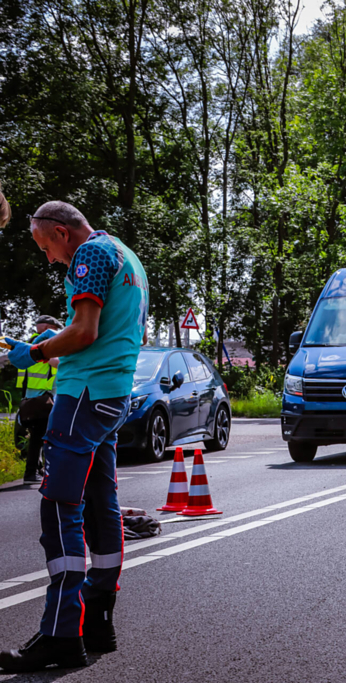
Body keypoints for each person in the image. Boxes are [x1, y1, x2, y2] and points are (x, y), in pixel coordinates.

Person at [0, 201, 149, 673]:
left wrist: (37, 351)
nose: (49, 259)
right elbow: (103, 333)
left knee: (60, 506)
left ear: (63, 233)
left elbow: (84, 331)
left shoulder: (89, 256)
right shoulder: (125, 254)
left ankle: (62, 634)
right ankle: (97, 620)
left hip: (82, 396)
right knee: (102, 503)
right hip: (112, 395)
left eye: (46, 248)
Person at [14, 315, 63, 483]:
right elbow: (57, 363)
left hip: (29, 399)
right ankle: (32, 473)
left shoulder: (26, 345)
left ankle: (37, 470)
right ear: (50, 328)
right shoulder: (44, 345)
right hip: (43, 399)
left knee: (37, 435)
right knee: (41, 436)